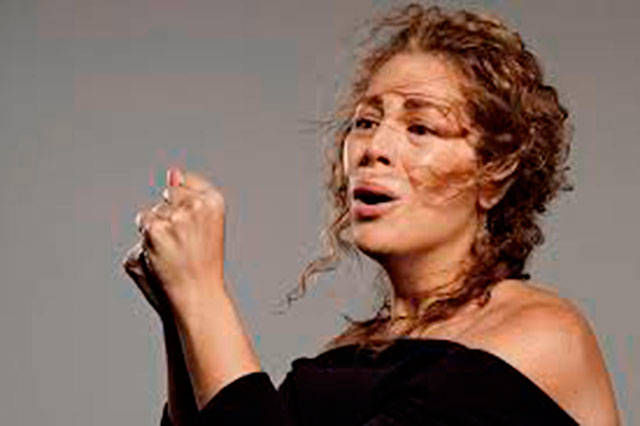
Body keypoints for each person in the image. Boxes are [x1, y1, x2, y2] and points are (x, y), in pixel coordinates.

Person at [123, 4, 620, 425]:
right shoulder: (350, 357)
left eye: (421, 128)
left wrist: (203, 294)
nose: (374, 148)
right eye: (365, 121)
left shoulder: (540, 337)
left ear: (494, 175)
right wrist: (179, 316)